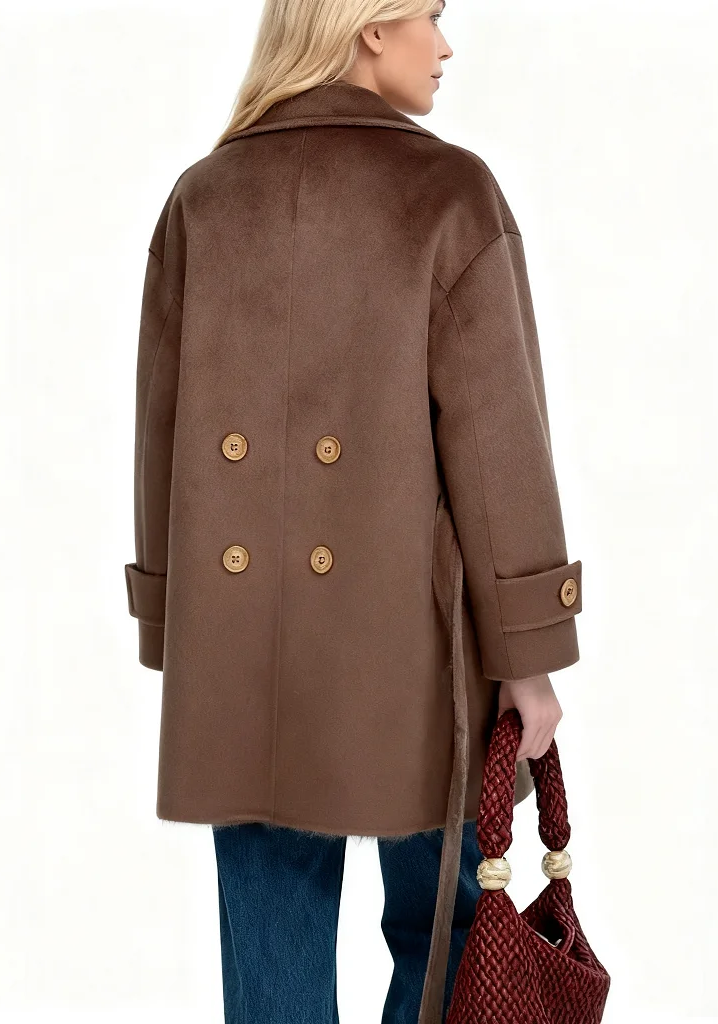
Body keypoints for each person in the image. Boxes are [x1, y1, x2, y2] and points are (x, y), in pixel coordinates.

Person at [121, 1, 582, 1021]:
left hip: (239, 648)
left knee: (271, 948)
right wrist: (529, 656)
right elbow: (497, 448)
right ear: (370, 27)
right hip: (416, 650)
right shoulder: (448, 192)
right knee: (447, 938)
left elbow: (160, 433)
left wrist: (172, 625)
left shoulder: (204, 197)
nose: (445, 45)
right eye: (430, 16)